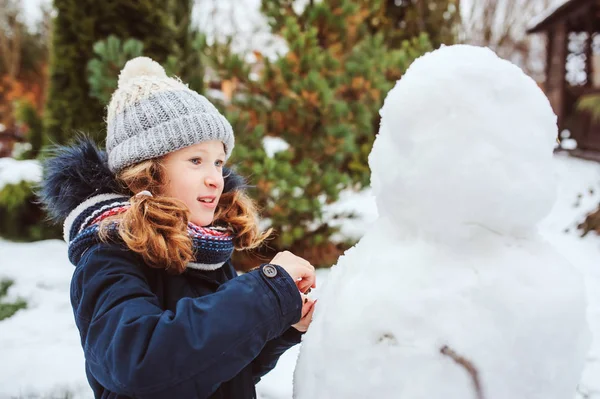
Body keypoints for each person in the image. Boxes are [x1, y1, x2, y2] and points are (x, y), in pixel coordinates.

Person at [39, 56, 317, 398]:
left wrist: (281, 322)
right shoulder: (107, 256)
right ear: (147, 171)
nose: (215, 178)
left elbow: (217, 369)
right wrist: (266, 294)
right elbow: (142, 363)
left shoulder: (206, 250)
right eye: (196, 161)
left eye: (218, 162)